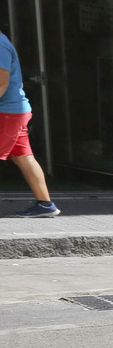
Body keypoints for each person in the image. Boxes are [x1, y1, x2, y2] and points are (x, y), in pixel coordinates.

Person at [0, 28, 58, 217]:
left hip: (8, 112)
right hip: (14, 111)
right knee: (24, 157)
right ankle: (45, 204)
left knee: (24, 157)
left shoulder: (0, 44)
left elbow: (2, 82)